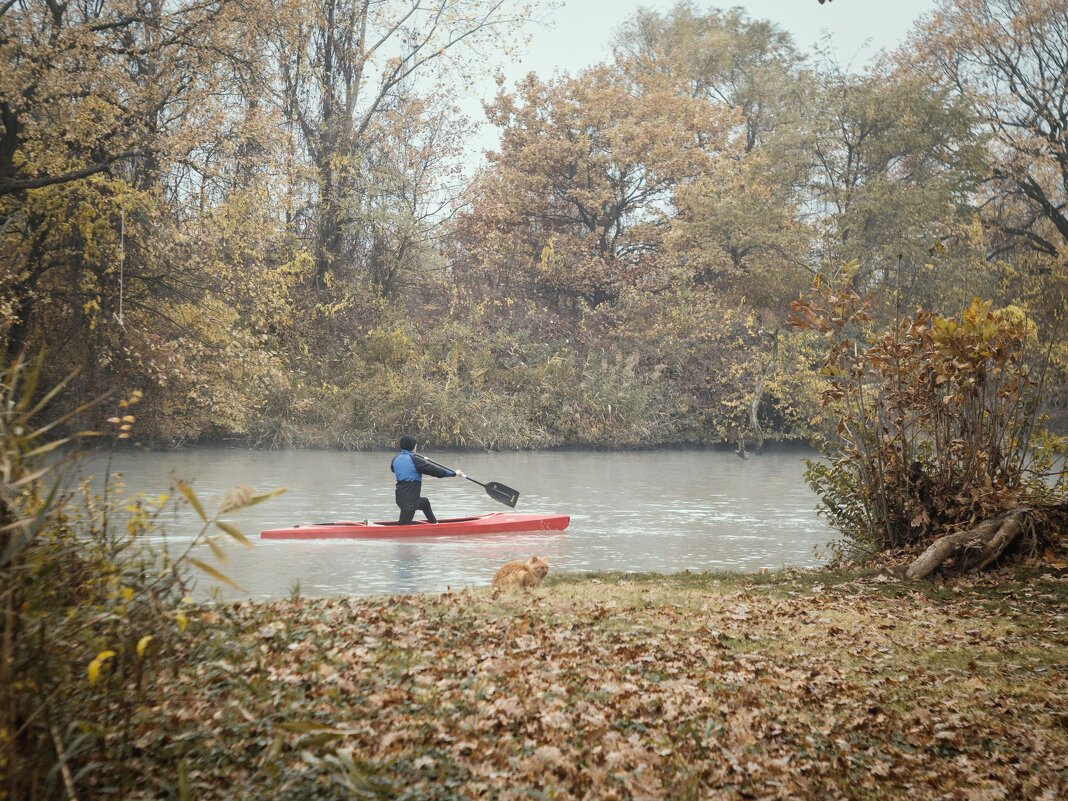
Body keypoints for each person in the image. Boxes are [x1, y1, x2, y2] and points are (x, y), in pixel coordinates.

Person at [390, 435, 464, 524]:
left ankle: (435, 524)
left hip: (400, 498)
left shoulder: (395, 460)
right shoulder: (416, 461)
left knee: (424, 502)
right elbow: (436, 471)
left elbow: (393, 470)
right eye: (416, 446)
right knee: (403, 527)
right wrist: (453, 473)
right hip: (411, 501)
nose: (416, 448)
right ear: (413, 447)